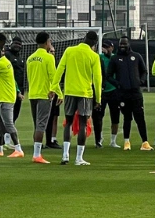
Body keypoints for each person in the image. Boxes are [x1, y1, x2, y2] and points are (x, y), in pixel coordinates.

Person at [51, 31, 103, 166]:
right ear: (95, 43)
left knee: (68, 122)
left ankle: (65, 155)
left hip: (69, 91)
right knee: (83, 124)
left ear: (84, 38)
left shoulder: (69, 50)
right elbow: (97, 79)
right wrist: (98, 98)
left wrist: (53, 87)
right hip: (85, 93)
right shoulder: (94, 56)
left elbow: (59, 69)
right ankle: (79, 158)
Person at [108, 37, 153, 151]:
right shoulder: (115, 59)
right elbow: (108, 75)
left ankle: (145, 142)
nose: (122, 46)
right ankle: (126, 141)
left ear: (129, 44)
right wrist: (118, 84)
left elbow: (144, 71)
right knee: (127, 118)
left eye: (125, 44)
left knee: (140, 117)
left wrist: (141, 81)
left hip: (136, 93)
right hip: (123, 94)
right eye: (121, 44)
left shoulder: (136, 56)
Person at [26, 31, 56, 164]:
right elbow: (53, 77)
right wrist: (58, 93)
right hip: (44, 94)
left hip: (32, 94)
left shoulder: (30, 58)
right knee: (41, 125)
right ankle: (37, 155)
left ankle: (36, 152)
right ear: (46, 42)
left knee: (37, 125)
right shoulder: (49, 58)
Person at [93, 40, 120, 149]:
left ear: (112, 48)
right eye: (103, 47)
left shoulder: (115, 58)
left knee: (115, 116)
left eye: (107, 47)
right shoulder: (98, 57)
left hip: (114, 90)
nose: (105, 49)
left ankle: (113, 141)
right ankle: (99, 138)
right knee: (98, 116)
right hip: (102, 91)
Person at [3, 37, 25, 150]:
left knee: (15, 115)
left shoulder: (20, 58)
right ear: (11, 44)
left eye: (19, 44)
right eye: (16, 43)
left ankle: (7, 139)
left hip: (19, 89)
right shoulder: (7, 55)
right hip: (10, 90)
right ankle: (4, 140)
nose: (17, 45)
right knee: (7, 116)